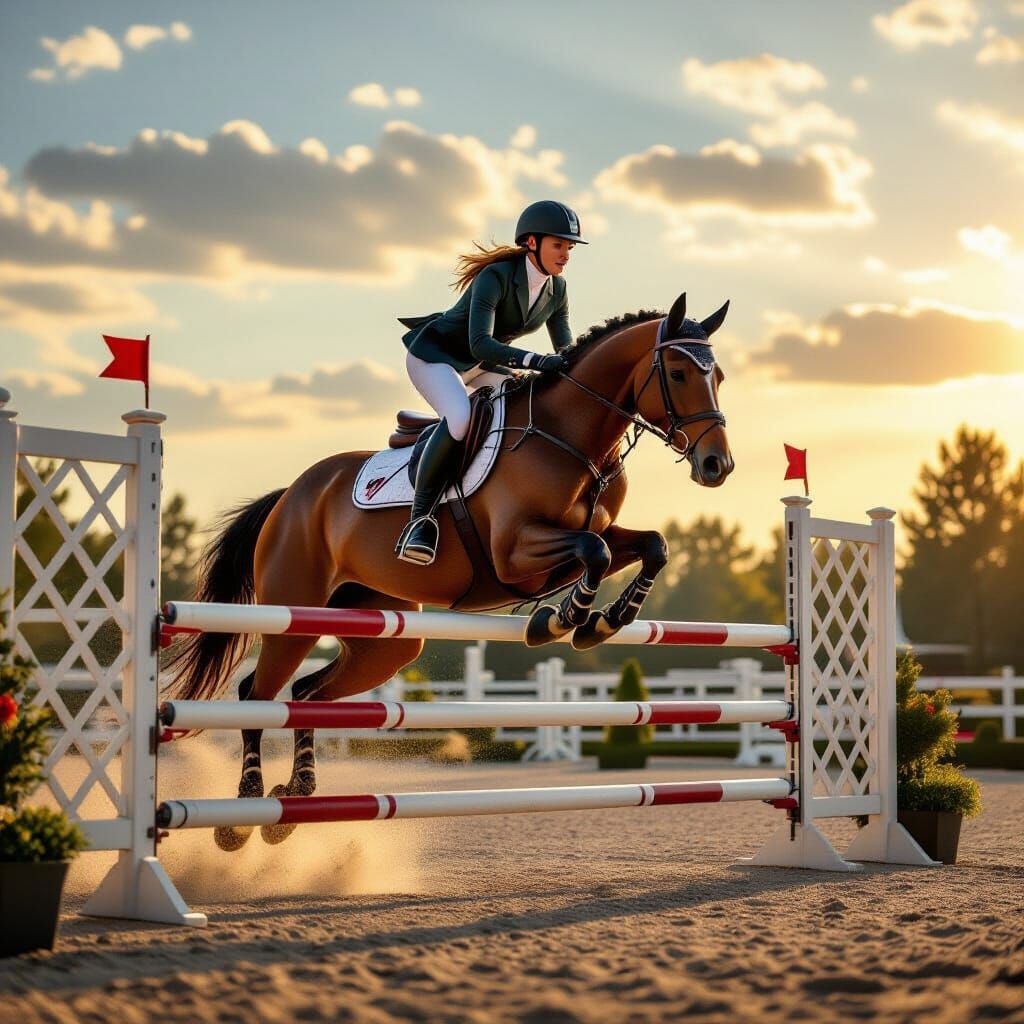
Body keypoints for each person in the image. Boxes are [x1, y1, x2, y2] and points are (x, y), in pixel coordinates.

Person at [395, 199, 587, 565]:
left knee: (522, 402)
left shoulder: (556, 290)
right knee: (460, 417)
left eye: (569, 247)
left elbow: (565, 349)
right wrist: (534, 361)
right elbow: (478, 342)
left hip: (480, 364)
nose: (565, 254)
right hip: (435, 357)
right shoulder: (495, 277)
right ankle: (420, 520)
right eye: (558, 245)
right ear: (531, 242)